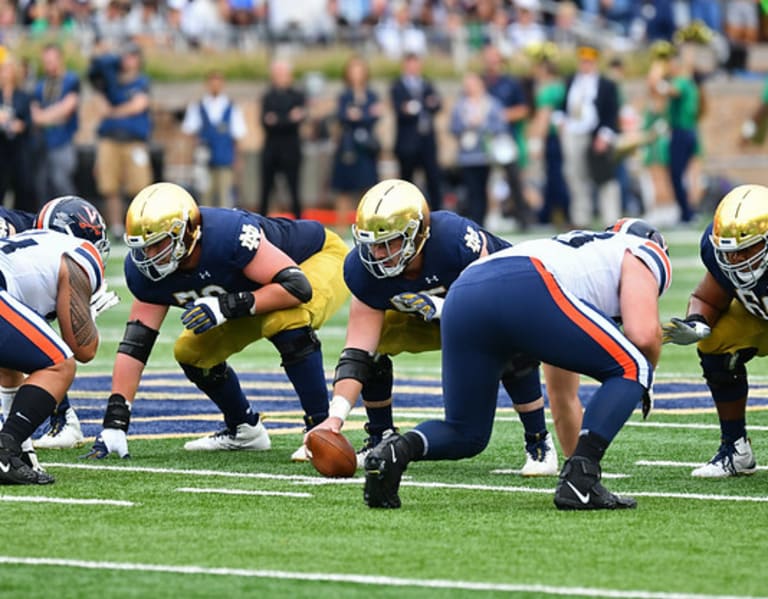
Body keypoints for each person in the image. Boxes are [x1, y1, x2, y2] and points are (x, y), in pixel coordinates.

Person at [362, 217, 670, 510]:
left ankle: (395, 451)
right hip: (527, 282)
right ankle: (581, 480)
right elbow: (643, 337)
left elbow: (563, 397)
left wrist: (576, 460)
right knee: (633, 366)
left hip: (466, 290)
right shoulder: (640, 250)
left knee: (465, 432)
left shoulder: (581, 262)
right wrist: (644, 378)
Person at [305, 178, 559, 476]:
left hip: (498, 307)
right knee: (375, 347)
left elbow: (491, 306)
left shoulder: (453, 241)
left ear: (418, 233)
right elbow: (357, 350)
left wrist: (443, 309)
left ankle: (539, 441)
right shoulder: (364, 271)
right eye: (371, 243)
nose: (377, 254)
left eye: (389, 242)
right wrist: (335, 418)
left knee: (508, 342)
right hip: (430, 318)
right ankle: (380, 436)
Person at [82, 182, 349, 460]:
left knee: (284, 318)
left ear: (187, 232)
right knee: (191, 352)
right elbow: (136, 344)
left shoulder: (226, 236)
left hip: (316, 260)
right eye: (144, 246)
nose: (150, 256)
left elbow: (296, 288)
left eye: (158, 244)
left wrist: (226, 305)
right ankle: (243, 428)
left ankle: (320, 428)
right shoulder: (146, 271)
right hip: (254, 293)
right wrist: (115, 421)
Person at [0, 196, 112, 485]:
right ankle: (4, 451)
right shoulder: (81, 252)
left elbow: (11, 364)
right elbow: (83, 349)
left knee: (12, 365)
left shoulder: (31, 242)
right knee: (59, 364)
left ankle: (14, 452)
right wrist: (89, 314)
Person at [662, 183, 768, 477]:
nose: (736, 260)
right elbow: (707, 297)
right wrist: (697, 323)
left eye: (747, 249)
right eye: (730, 252)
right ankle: (735, 449)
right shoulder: (721, 255)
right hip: (759, 319)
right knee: (715, 342)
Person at [90, 41, 153, 238]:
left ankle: (139, 224)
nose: (129, 60)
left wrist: (114, 112)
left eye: (133, 56)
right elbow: (99, 100)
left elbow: (138, 105)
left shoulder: (141, 82)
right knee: (110, 185)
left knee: (140, 186)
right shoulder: (110, 80)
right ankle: (116, 227)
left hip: (134, 141)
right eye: (126, 56)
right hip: (110, 139)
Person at [555, 44, 620, 229]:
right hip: (573, 133)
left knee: (604, 177)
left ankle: (611, 219)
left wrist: (604, 135)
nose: (586, 65)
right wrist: (560, 121)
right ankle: (581, 218)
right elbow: (563, 105)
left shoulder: (606, 85)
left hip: (595, 134)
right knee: (575, 177)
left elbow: (611, 113)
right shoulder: (571, 81)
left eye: (589, 61)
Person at [329, 55, 382, 232]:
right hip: (348, 147)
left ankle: (368, 229)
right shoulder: (344, 96)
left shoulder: (372, 94)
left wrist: (359, 114)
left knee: (368, 190)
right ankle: (341, 230)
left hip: (366, 149)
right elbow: (344, 116)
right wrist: (364, 114)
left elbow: (374, 116)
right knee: (344, 190)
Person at [181, 70, 247, 208]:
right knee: (205, 200)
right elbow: (189, 132)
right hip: (204, 161)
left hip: (224, 159)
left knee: (225, 199)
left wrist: (237, 160)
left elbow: (238, 135)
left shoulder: (231, 107)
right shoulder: (198, 106)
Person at [449, 72, 507, 228]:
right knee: (471, 191)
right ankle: (474, 221)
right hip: (467, 156)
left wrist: (482, 125)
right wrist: (467, 125)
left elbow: (500, 126)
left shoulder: (491, 103)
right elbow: (453, 127)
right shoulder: (460, 106)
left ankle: (489, 217)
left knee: (487, 189)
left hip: (486, 154)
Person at [390, 52, 443, 211]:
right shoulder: (398, 86)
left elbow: (436, 104)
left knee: (433, 178)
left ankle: (437, 212)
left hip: (426, 139)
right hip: (407, 142)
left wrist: (420, 106)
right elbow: (400, 109)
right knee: (406, 181)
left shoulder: (426, 83)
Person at [30, 43, 81, 202]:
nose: (49, 65)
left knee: (62, 183)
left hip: (63, 142)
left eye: (52, 61)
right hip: (43, 143)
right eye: (46, 62)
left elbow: (67, 108)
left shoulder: (71, 80)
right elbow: (35, 115)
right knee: (42, 185)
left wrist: (45, 117)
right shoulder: (41, 84)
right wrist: (53, 116)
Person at [259, 59, 306, 220]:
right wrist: (288, 118)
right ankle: (261, 225)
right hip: (272, 149)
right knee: (265, 191)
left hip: (291, 149)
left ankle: (300, 226)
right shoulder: (268, 96)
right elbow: (265, 122)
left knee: (294, 191)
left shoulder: (297, 95)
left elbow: (297, 119)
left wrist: (278, 119)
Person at [0, 55, 36, 213]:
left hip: (19, 150)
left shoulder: (23, 96)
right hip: (1, 149)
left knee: (23, 188)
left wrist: (19, 125)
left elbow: (29, 122)